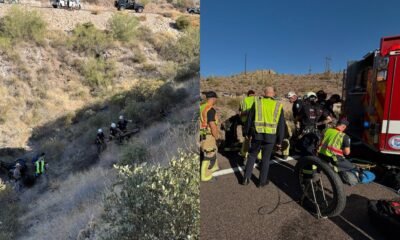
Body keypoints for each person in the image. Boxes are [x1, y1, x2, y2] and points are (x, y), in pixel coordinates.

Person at [242, 86, 285, 188]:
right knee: (265, 159)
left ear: (264, 93)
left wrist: (246, 133)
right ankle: (261, 182)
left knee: (252, 156)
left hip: (257, 135)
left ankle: (246, 178)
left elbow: (249, 119)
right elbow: (281, 125)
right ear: (273, 93)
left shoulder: (257, 103)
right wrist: (280, 140)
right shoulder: (278, 105)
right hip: (271, 137)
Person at [200, 91, 220, 182]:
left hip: (201, 135)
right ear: (213, 98)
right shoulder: (210, 109)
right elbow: (212, 125)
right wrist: (216, 137)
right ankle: (206, 176)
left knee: (208, 153)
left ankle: (213, 168)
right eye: (216, 98)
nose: (216, 100)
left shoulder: (201, 107)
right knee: (209, 155)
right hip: (208, 136)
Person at [239, 90, 257, 157]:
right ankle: (257, 155)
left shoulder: (243, 101)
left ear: (248, 94)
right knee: (256, 138)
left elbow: (240, 113)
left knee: (247, 138)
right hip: (255, 122)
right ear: (254, 94)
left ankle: (244, 154)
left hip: (245, 122)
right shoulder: (257, 100)